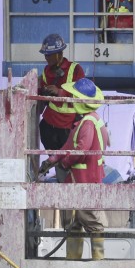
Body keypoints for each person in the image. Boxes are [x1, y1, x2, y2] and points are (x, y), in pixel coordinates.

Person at [38, 78, 110, 261]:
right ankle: (73, 260)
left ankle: (98, 260)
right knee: (75, 221)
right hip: (82, 179)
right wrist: (52, 160)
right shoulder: (87, 121)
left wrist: (63, 163)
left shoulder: (87, 123)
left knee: (91, 221)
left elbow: (80, 151)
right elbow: (69, 145)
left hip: (85, 179)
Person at [38, 33, 85, 183]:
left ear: (59, 54)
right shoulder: (46, 71)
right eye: (45, 55)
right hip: (49, 125)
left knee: (68, 159)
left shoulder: (75, 69)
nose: (46, 58)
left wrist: (60, 92)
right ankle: (61, 178)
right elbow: (42, 91)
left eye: (49, 55)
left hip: (68, 126)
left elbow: (83, 95)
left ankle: (69, 185)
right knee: (58, 159)